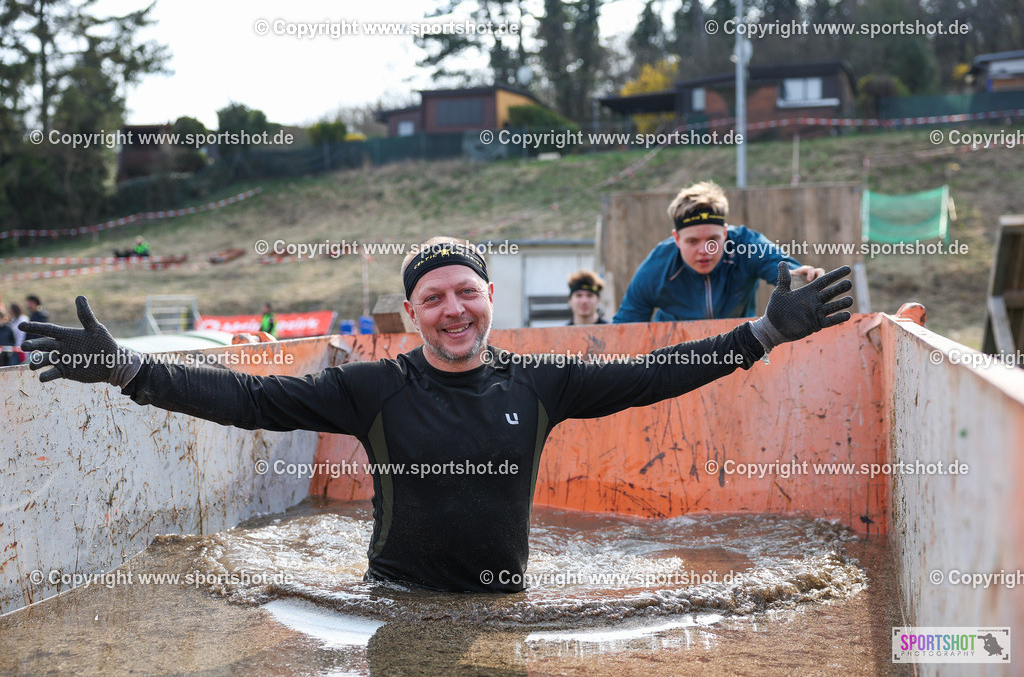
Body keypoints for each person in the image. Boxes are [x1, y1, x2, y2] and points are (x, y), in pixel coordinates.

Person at [20, 236, 853, 594]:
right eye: (433, 298)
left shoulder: (539, 383)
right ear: (410, 314)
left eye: (465, 292)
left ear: (489, 298)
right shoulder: (372, 388)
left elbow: (649, 378)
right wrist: (128, 369)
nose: (452, 310)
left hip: (505, 599)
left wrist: (764, 332)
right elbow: (246, 399)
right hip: (394, 600)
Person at [613, 181, 826, 323]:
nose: (704, 251)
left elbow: (783, 271)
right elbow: (623, 329)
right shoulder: (656, 268)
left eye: (713, 239)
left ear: (725, 233)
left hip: (739, 349)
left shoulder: (746, 244)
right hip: (676, 356)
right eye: (692, 241)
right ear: (676, 239)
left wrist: (803, 280)